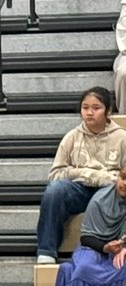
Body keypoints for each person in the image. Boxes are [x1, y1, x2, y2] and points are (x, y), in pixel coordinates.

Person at [37, 87, 126, 264]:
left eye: (96, 108)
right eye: (85, 108)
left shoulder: (122, 138)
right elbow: (55, 174)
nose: (89, 113)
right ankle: (46, 250)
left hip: (110, 193)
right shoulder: (72, 137)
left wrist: (107, 180)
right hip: (79, 190)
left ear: (108, 111)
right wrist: (84, 174)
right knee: (54, 191)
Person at [51, 165, 126, 286]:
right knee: (84, 269)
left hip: (119, 249)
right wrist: (105, 247)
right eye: (123, 178)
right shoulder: (99, 200)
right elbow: (86, 238)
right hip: (94, 247)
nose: (124, 183)